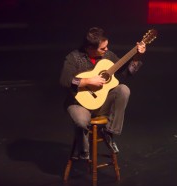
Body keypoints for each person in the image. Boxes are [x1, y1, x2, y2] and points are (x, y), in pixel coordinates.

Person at [59, 27, 146, 159]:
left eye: (106, 47)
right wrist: (87, 81)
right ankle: (84, 152)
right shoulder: (74, 58)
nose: (106, 50)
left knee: (123, 89)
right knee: (82, 122)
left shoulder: (108, 56)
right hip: (78, 103)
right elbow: (64, 80)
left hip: (100, 102)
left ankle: (108, 132)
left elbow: (127, 72)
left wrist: (137, 56)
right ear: (89, 48)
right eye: (102, 48)